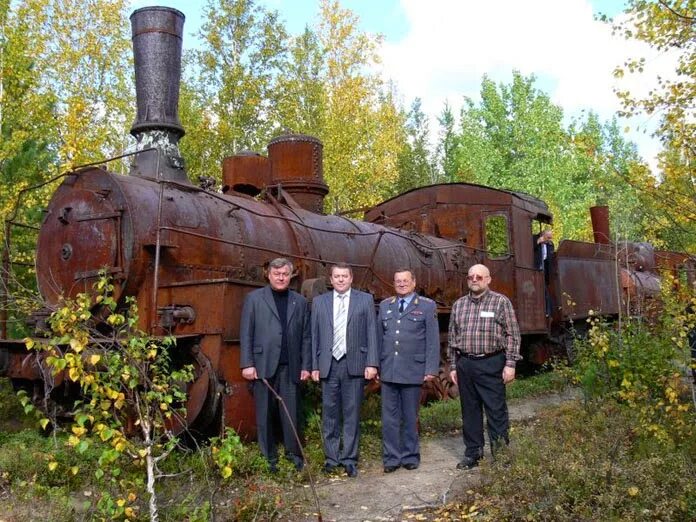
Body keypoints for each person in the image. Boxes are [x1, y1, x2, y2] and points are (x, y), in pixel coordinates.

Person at [240, 258, 311, 472]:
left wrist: (306, 365)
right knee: (264, 414)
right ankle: (268, 458)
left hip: (291, 367)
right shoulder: (254, 299)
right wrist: (247, 363)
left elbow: (307, 337)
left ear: (290, 276)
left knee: (291, 414)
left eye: (285, 274)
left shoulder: (299, 301)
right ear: (268, 275)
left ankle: (294, 455)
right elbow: (246, 332)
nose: (281, 278)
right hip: (262, 366)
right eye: (276, 274)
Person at [448, 264, 521, 469]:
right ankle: (473, 453)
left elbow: (512, 334)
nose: (474, 279)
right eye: (471, 276)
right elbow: (453, 338)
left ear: (488, 279)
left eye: (479, 276)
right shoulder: (459, 305)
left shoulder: (500, 302)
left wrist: (510, 364)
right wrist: (453, 366)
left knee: (495, 410)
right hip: (466, 364)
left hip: (491, 362)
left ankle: (500, 454)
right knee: (469, 411)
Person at [311, 262, 379, 477]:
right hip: (329, 364)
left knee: (351, 413)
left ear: (351, 278)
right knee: (329, 413)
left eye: (344, 276)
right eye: (336, 276)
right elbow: (314, 336)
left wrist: (372, 363)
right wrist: (314, 366)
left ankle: (349, 458)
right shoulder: (319, 302)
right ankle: (332, 458)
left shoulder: (365, 300)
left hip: (355, 364)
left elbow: (372, 332)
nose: (340, 280)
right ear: (331, 280)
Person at [377, 268, 439, 473]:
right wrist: (376, 365)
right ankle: (391, 458)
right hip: (389, 370)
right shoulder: (386, 306)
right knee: (389, 418)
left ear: (413, 283)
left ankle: (410, 455)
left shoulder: (427, 307)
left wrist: (430, 368)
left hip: (413, 369)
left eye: (405, 281)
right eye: (398, 281)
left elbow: (432, 340)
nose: (401, 284)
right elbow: (379, 339)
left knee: (410, 416)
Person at [533, 228, 555, 317]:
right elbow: (526, 250)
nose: (549, 240)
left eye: (550, 238)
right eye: (548, 237)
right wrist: (537, 242)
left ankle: (548, 312)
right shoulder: (534, 239)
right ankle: (547, 311)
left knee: (545, 289)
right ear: (543, 235)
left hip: (545, 269)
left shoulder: (550, 244)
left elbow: (550, 258)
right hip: (534, 268)